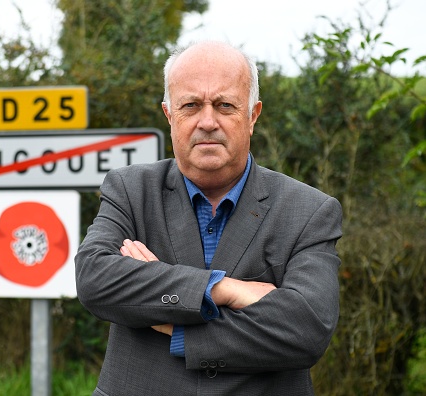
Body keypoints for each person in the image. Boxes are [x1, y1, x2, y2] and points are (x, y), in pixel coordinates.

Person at [75, 40, 343, 396]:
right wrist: (224, 289)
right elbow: (95, 278)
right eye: (190, 105)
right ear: (170, 115)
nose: (207, 121)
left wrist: (177, 326)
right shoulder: (130, 190)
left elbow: (308, 328)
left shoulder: (309, 211)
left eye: (224, 105)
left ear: (253, 116)